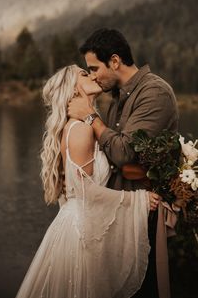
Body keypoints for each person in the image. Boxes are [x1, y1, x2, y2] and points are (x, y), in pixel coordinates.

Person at [15, 64, 160, 298]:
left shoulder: (79, 126)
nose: (92, 75)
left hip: (80, 223)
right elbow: (86, 193)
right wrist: (138, 200)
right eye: (84, 73)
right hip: (80, 231)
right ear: (72, 90)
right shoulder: (81, 129)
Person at [67, 28, 179, 298]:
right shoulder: (118, 98)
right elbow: (112, 156)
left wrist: (91, 118)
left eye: (94, 68)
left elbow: (124, 153)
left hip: (147, 216)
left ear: (115, 61)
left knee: (143, 287)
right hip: (122, 214)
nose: (93, 75)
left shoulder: (155, 93)